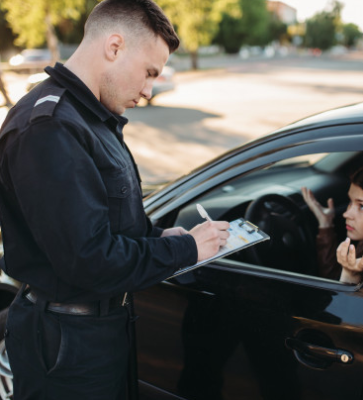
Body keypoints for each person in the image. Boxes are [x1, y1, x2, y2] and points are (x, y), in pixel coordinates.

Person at [0, 1, 230, 399]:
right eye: (149, 72)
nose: (148, 89)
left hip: (96, 332)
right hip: (66, 346)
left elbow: (106, 223)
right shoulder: (50, 128)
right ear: (114, 46)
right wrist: (184, 250)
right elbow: (89, 261)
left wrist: (159, 237)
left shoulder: (91, 117)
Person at [301, 165, 363, 284]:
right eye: (350, 202)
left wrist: (351, 277)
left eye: (362, 206)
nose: (346, 214)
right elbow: (333, 280)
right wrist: (325, 223)